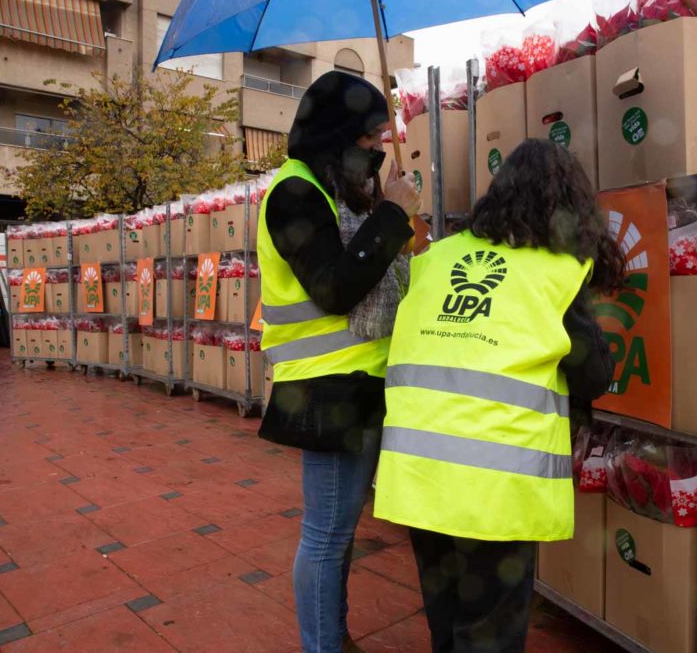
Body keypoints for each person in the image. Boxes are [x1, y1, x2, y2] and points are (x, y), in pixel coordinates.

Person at [373, 138, 620, 653]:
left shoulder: (437, 258)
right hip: (495, 485)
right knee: (489, 632)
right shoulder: (555, 271)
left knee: (447, 622)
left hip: (420, 474)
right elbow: (592, 374)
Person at [256, 71, 421, 653]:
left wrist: (391, 211)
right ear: (339, 134)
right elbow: (333, 287)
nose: (379, 146)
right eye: (371, 136)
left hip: (361, 384)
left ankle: (334, 634)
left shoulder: (337, 191)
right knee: (326, 534)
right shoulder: (294, 194)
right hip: (325, 390)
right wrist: (391, 216)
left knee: (342, 531)